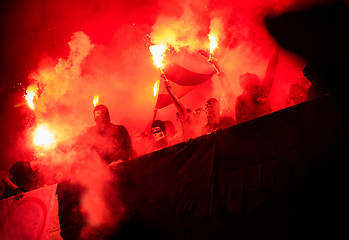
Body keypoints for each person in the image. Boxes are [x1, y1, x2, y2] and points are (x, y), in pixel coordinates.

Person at [77, 104, 136, 168]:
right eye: (95, 115)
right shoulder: (89, 132)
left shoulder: (120, 130)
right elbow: (82, 150)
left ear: (106, 116)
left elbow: (128, 149)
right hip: (99, 171)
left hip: (120, 168)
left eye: (100, 114)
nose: (97, 117)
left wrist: (121, 161)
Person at [235, 47, 280, 123]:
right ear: (243, 85)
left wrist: (276, 53)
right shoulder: (241, 99)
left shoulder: (261, 92)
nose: (252, 83)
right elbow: (239, 121)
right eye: (249, 81)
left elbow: (270, 72)